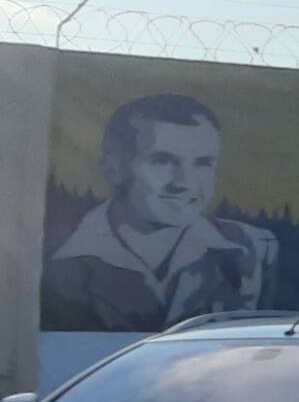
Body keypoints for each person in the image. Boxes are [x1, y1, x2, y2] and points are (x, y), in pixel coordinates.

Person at [43, 94, 278, 331]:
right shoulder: (52, 253)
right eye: (162, 161)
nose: (185, 183)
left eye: (203, 163)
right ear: (114, 170)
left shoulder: (252, 248)